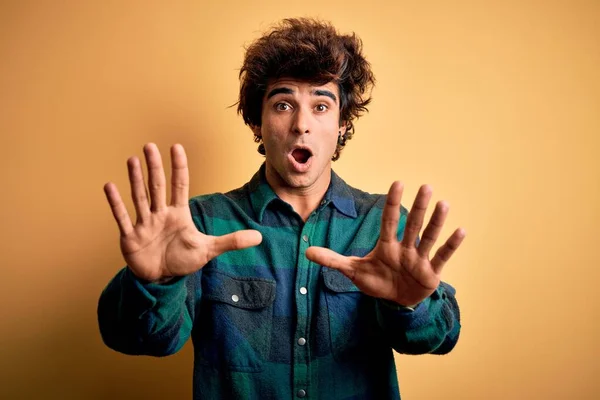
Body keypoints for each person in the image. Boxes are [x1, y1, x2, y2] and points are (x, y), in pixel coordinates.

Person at [98, 17, 466, 400]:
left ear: (342, 124)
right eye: (284, 104)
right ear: (258, 122)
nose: (301, 124)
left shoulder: (380, 225)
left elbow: (442, 336)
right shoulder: (201, 226)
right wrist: (155, 284)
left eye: (322, 106)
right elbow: (144, 340)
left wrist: (412, 305)